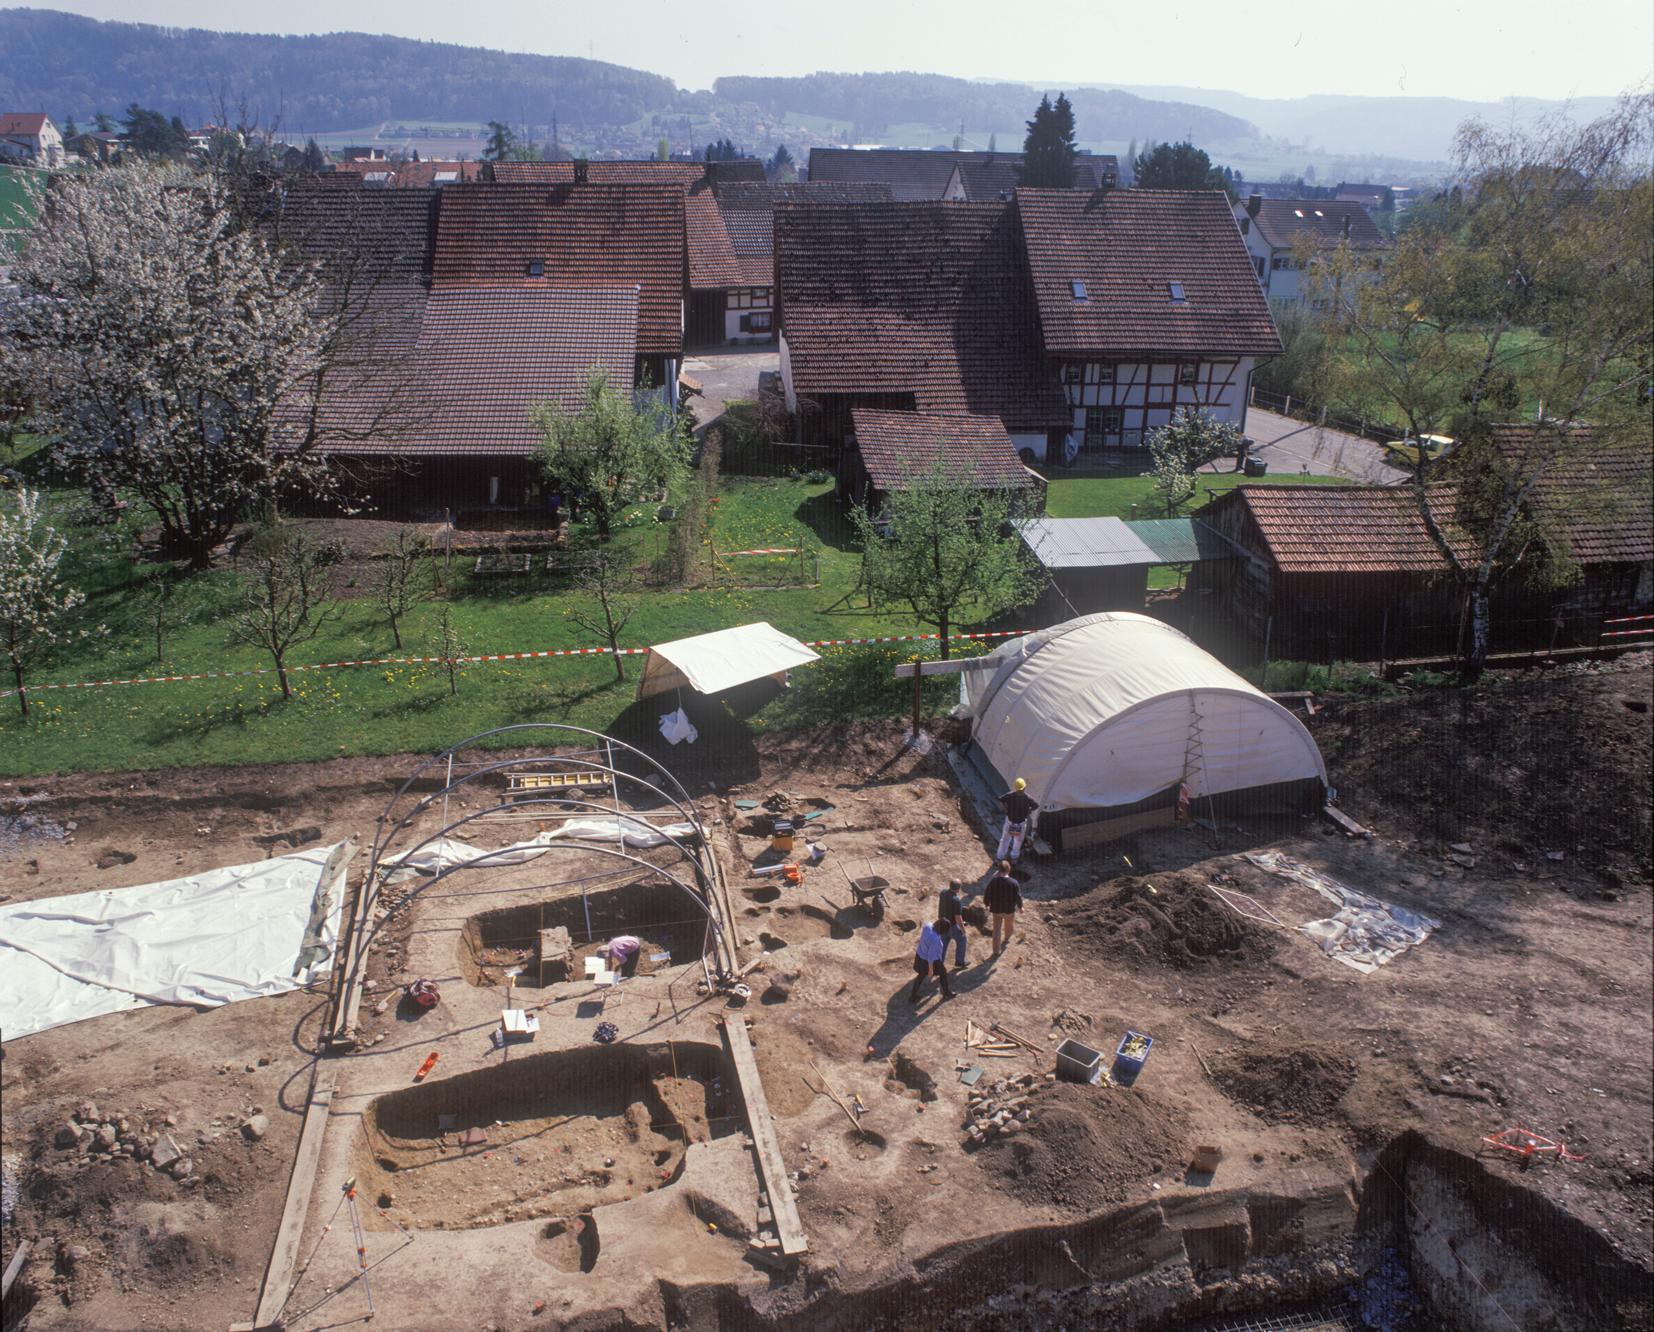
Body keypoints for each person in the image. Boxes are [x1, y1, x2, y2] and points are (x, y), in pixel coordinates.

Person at [983, 860, 1023, 958]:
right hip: (1009, 910)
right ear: (1009, 869)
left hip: (996, 909)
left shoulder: (994, 881)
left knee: (996, 930)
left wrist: (986, 904)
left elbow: (987, 893)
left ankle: (996, 951)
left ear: (999, 869)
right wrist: (1021, 906)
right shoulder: (1014, 883)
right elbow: (1018, 897)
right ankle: (1007, 938)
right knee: (1009, 925)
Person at [909, 918, 954, 1003]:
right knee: (943, 972)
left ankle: (913, 996)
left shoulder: (928, 925)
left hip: (920, 956)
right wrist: (930, 970)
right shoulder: (935, 939)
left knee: (920, 976)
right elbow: (931, 956)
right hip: (928, 961)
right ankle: (946, 992)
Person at [996, 777, 1039, 862]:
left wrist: (1004, 809)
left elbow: (1000, 800)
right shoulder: (1026, 798)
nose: (1020, 791)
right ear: (1024, 787)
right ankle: (1009, 858)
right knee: (1014, 841)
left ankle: (1004, 857)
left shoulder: (1011, 795)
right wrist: (1028, 812)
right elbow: (1035, 806)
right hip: (1017, 822)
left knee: (1010, 840)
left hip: (1015, 822)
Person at [939, 878, 968, 967]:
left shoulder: (943, 893)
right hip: (952, 926)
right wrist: (963, 929)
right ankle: (959, 962)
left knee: (942, 945)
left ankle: (939, 964)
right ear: (958, 889)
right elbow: (958, 917)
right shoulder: (956, 900)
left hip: (942, 924)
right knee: (962, 939)